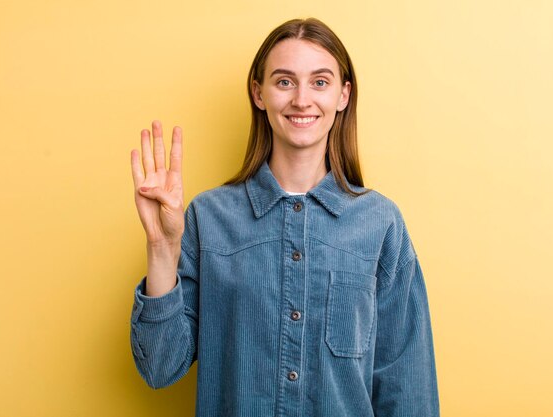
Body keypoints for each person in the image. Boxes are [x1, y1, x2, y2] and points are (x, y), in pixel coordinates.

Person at [129, 17, 439, 417]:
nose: (302, 100)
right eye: (284, 81)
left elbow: (408, 389)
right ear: (259, 94)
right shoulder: (208, 219)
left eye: (320, 82)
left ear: (343, 95)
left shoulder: (380, 224)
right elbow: (159, 367)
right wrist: (162, 247)